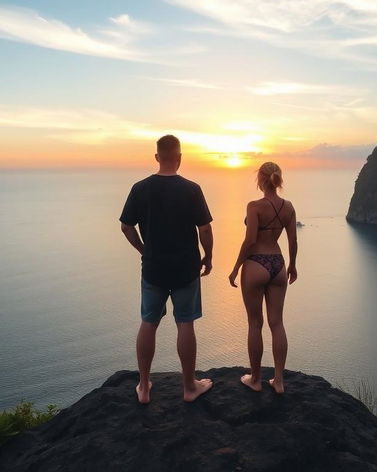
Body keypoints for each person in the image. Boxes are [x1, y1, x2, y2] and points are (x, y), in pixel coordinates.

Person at [120, 134, 214, 403]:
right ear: (180, 158)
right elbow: (205, 227)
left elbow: (126, 226)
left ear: (157, 157)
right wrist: (208, 256)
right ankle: (189, 387)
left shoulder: (140, 188)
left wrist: (143, 249)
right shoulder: (191, 189)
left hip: (153, 268)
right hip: (186, 267)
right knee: (185, 322)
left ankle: (144, 387)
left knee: (148, 322)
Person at [228, 162, 298, 393]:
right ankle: (278, 380)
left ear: (260, 179)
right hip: (278, 264)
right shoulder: (288, 207)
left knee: (255, 323)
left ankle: (255, 379)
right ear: (278, 179)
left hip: (256, 262)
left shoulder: (254, 206)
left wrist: (237, 266)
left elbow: (249, 241)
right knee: (277, 323)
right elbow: (292, 241)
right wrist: (293, 265)